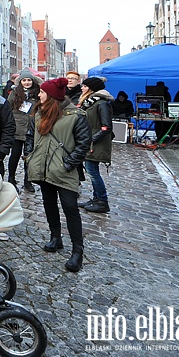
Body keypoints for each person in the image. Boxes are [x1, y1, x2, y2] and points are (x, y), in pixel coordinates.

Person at [25, 77, 91, 272]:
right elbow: (30, 135)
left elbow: (83, 144)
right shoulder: (38, 113)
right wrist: (29, 156)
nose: (39, 95)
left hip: (64, 170)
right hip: (43, 167)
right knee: (48, 202)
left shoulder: (75, 116)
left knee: (70, 207)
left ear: (52, 96)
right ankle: (56, 237)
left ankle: (77, 251)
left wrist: (69, 164)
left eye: (43, 92)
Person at [77, 77, 113, 214]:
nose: (82, 88)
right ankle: (96, 199)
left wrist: (91, 140)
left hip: (95, 143)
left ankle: (102, 201)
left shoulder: (102, 104)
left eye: (85, 86)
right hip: (89, 140)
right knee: (91, 171)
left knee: (93, 172)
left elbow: (106, 127)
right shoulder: (89, 102)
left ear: (91, 89)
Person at [7, 70, 40, 192]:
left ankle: (28, 181)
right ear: (20, 82)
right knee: (14, 155)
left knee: (29, 156)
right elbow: (8, 108)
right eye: (24, 80)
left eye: (29, 80)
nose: (27, 82)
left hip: (31, 130)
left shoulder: (37, 94)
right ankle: (11, 178)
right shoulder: (15, 93)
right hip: (17, 129)